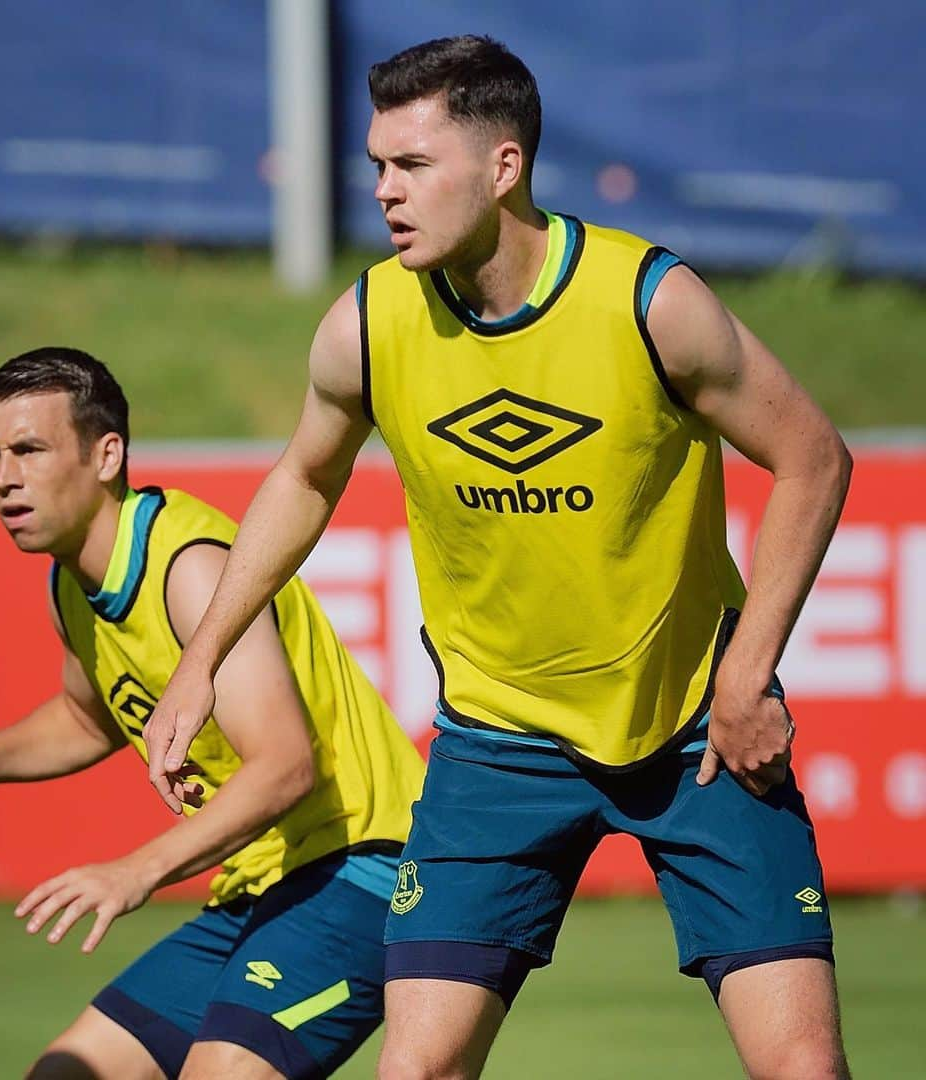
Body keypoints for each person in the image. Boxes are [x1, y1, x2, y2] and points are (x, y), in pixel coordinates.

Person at [144, 35, 854, 1080]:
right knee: (415, 1070)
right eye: (378, 166)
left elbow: (813, 459)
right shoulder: (368, 324)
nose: (385, 192)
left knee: (802, 1070)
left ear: (503, 167)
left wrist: (748, 673)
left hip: (697, 724)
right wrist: (200, 661)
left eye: (414, 166)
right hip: (498, 742)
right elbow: (303, 479)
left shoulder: (647, 301)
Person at [0, 347, 426, 1080]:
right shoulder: (74, 584)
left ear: (107, 456)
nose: (4, 478)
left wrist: (136, 872)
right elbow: (87, 719)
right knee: (67, 1074)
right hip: (260, 888)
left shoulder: (188, 569)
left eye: (30, 450)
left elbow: (287, 767)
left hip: (363, 869)